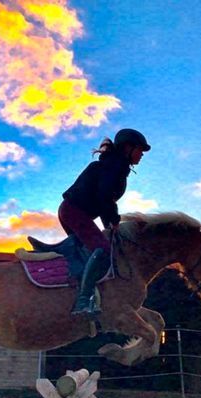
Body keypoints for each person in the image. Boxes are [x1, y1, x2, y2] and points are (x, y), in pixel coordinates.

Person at [59, 128, 150, 317]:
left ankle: (77, 288)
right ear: (128, 148)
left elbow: (103, 200)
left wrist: (109, 222)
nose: (142, 155)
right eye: (140, 150)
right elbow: (105, 197)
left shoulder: (115, 166)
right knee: (102, 250)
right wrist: (113, 222)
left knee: (91, 250)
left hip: (72, 212)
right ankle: (83, 301)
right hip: (74, 212)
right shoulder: (113, 167)